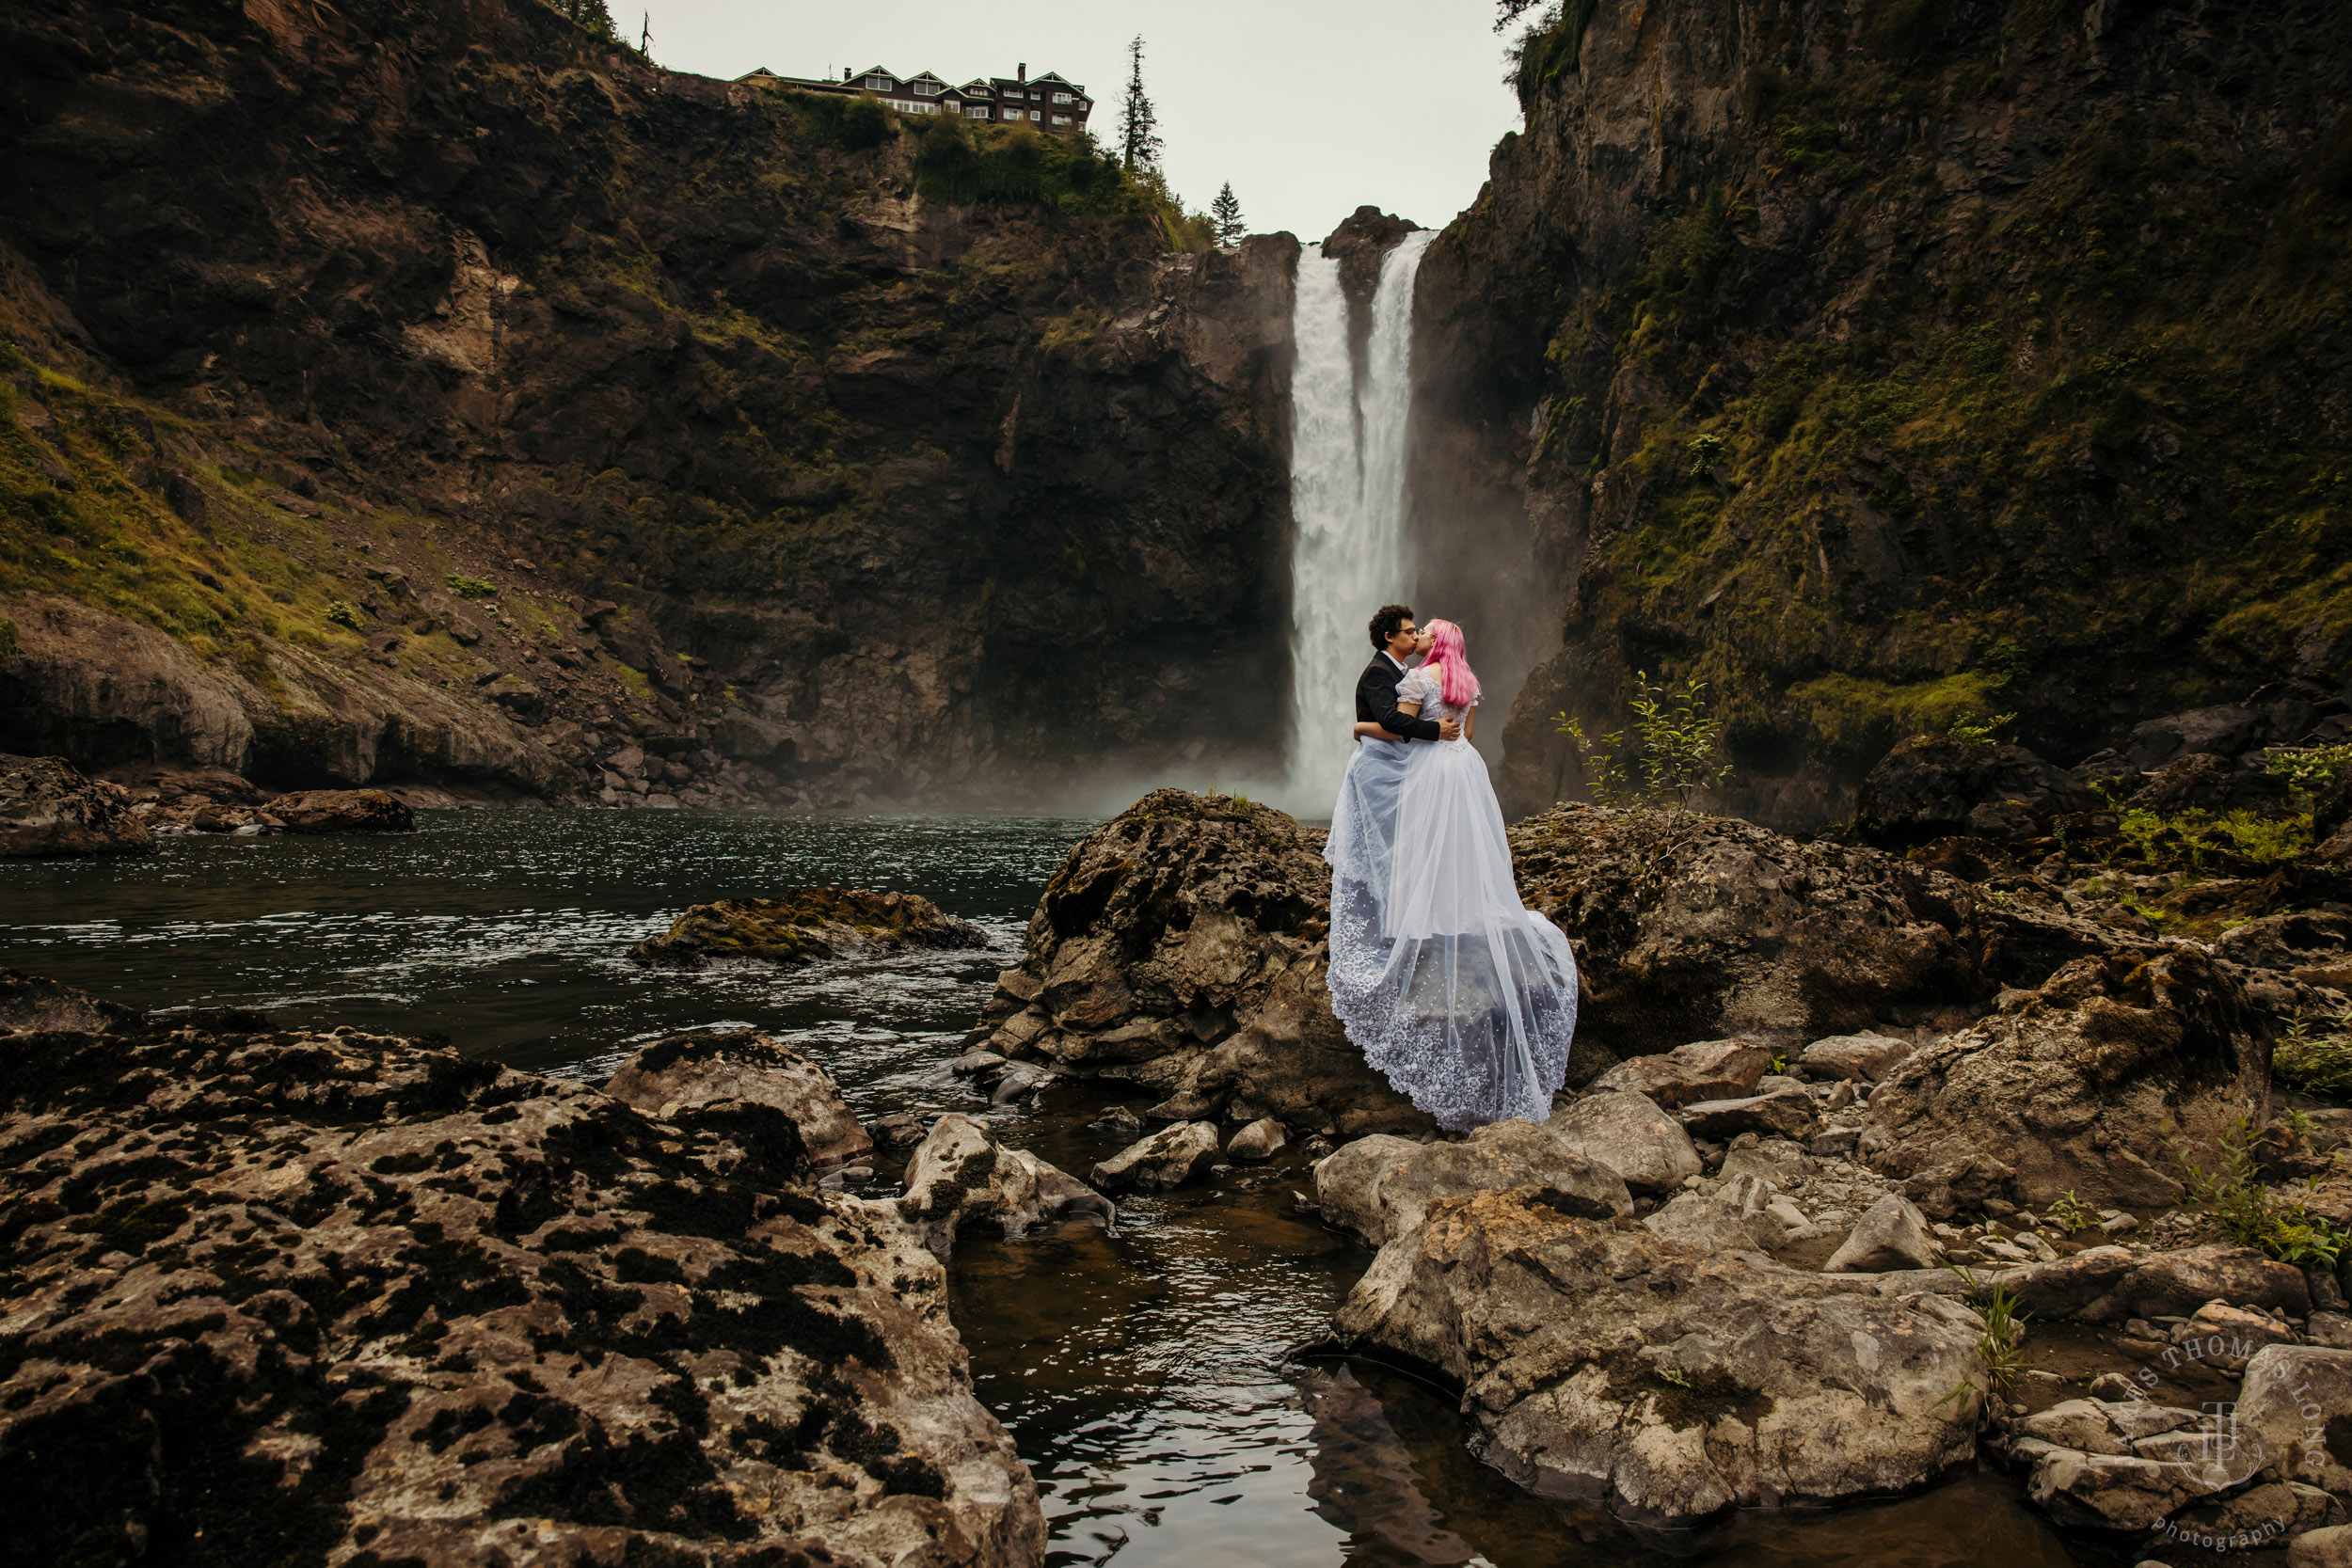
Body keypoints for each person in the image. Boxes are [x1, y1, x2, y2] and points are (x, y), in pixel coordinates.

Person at [1328, 616, 1579, 1131]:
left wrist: (1358, 728)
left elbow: (1401, 729)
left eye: (1424, 633)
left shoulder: (1419, 679)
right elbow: (1464, 733)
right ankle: (1460, 910)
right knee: (1463, 843)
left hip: (1430, 769)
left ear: (1435, 643)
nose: (1417, 636)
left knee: (1422, 844)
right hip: (1465, 767)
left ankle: (1419, 918)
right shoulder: (1467, 682)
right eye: (1411, 630)